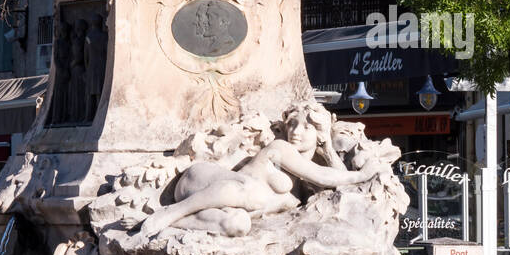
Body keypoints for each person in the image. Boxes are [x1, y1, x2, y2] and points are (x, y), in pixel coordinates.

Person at [137, 99, 387, 240]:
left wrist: (328, 147)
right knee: (250, 192)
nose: (295, 131)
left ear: (319, 134)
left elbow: (332, 178)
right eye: (292, 124)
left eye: (306, 127)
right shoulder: (281, 148)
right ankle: (172, 212)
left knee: (238, 224)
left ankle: (175, 224)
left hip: (227, 209)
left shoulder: (307, 173)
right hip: (201, 181)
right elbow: (322, 175)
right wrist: (362, 175)